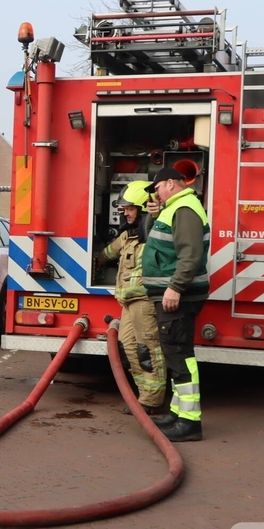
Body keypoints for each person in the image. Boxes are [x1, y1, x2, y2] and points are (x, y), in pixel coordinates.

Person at [142, 167, 211, 442]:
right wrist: (155, 216)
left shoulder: (185, 209)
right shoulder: (176, 208)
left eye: (157, 188)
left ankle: (190, 422)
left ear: (170, 183)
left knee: (180, 354)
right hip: (173, 294)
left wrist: (175, 288)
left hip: (178, 296)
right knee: (174, 353)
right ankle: (176, 412)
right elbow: (162, 245)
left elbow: (190, 256)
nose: (156, 194)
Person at [95, 180, 167, 415]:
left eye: (130, 208)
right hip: (128, 303)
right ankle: (144, 394)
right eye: (123, 208)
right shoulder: (128, 237)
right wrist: (93, 262)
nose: (123, 212)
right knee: (128, 348)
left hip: (145, 302)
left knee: (147, 350)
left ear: (144, 209)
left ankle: (152, 400)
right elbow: (107, 253)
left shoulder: (157, 233)